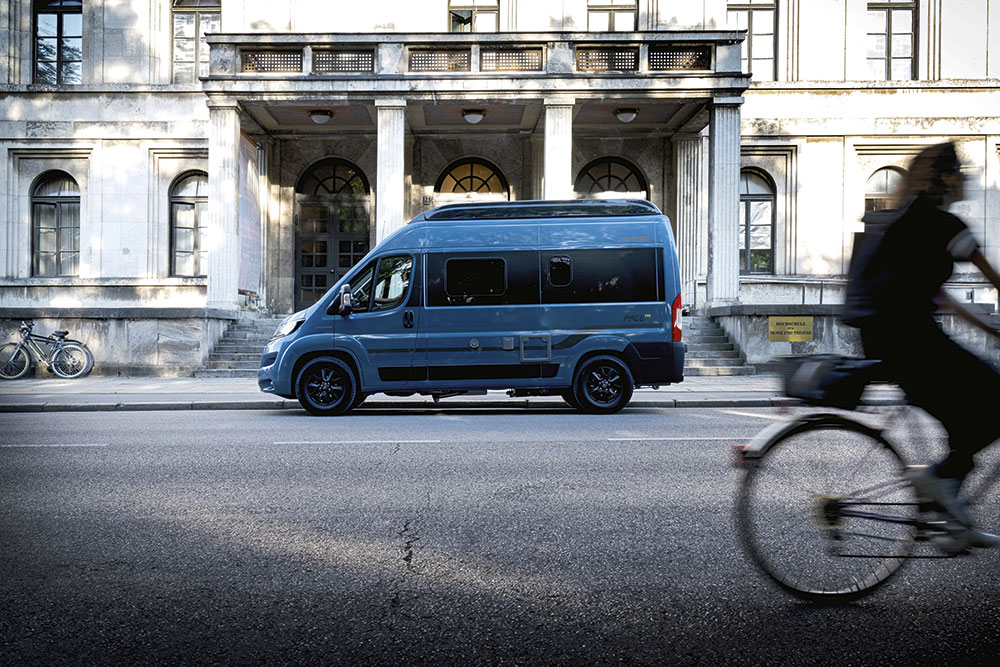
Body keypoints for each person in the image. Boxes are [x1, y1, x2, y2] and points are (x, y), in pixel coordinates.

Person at [844, 142, 1000, 552]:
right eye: (960, 172)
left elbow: (940, 297)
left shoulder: (917, 220)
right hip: (912, 343)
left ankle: (952, 517)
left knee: (965, 418)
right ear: (945, 178)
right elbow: (995, 279)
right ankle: (941, 489)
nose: (965, 178)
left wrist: (991, 331)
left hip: (892, 339)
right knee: (992, 401)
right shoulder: (946, 226)